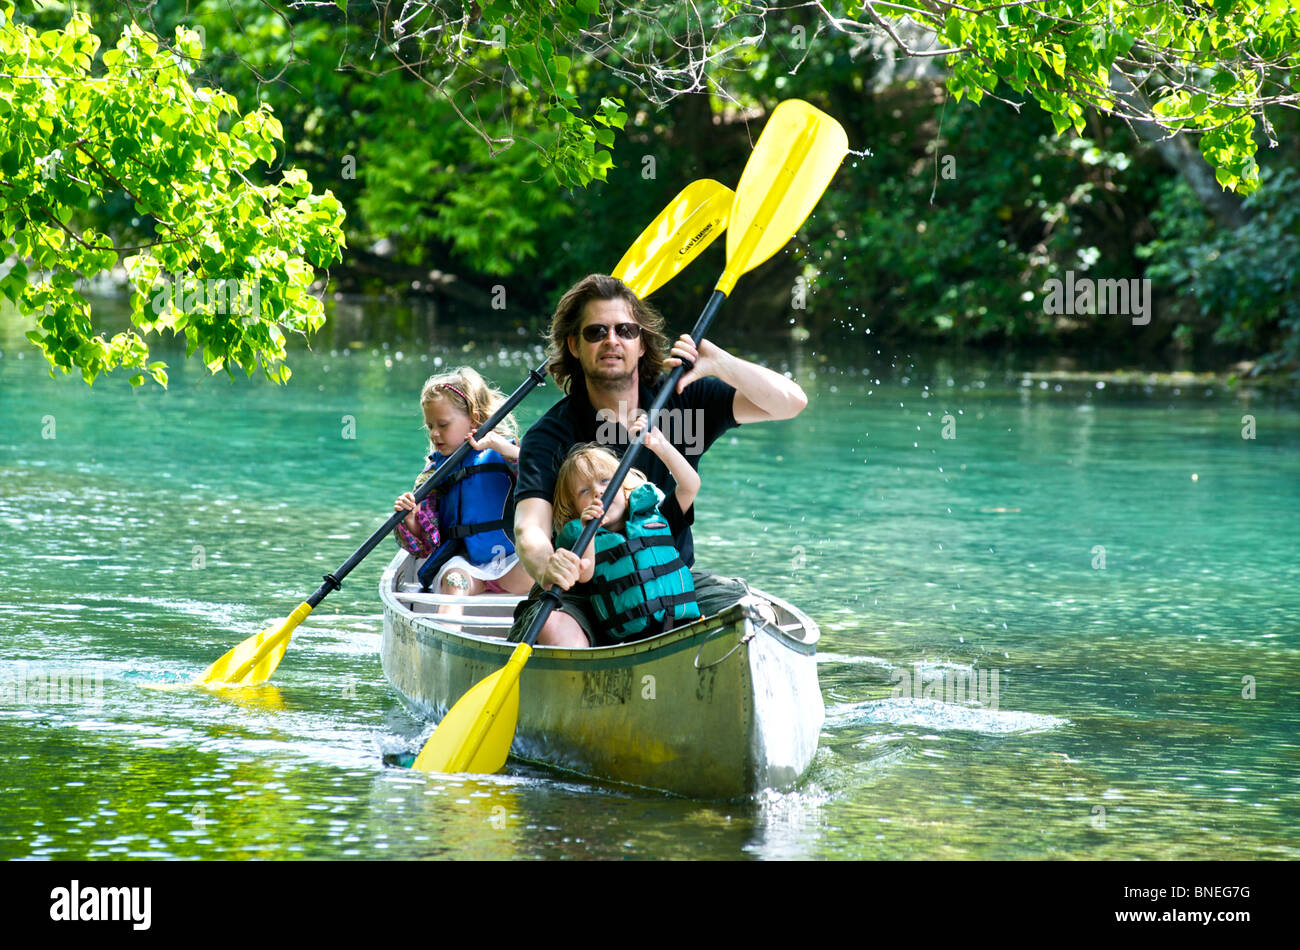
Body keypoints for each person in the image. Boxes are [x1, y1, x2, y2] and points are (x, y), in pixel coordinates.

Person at [508, 273, 808, 647]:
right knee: (554, 628)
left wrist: (719, 363)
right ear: (573, 345)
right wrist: (547, 563)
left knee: (755, 619)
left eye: (625, 330)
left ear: (642, 343)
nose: (612, 340)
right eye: (596, 331)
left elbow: (790, 402)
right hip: (582, 596)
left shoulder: (683, 400)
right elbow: (529, 529)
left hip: (668, 581)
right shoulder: (550, 435)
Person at [393, 367, 534, 605]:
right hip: (464, 566)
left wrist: (502, 447)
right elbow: (424, 546)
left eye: (443, 425)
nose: (435, 434)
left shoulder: (505, 454)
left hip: (510, 562)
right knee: (454, 584)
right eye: (430, 426)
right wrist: (411, 521)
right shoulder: (434, 474)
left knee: (545, 575)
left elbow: (540, 477)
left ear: (475, 419)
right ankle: (448, 633)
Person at [551, 425, 701, 643]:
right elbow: (584, 574)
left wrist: (660, 446)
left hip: (681, 626)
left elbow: (691, 485)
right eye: (584, 491)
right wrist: (588, 532)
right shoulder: (578, 535)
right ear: (574, 509)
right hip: (631, 640)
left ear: (624, 486)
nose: (598, 491)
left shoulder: (657, 514)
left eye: (605, 481)